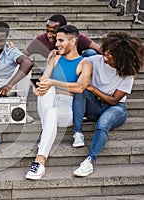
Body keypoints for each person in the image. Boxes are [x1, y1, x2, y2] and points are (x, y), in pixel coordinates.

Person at [25, 25, 92, 180]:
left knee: (52, 111)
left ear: (73, 41)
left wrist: (53, 84)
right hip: (49, 101)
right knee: (45, 89)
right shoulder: (55, 57)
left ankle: (40, 161)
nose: (56, 44)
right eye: (56, 40)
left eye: (61, 40)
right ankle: (44, 141)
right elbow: (44, 80)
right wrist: (40, 87)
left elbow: (80, 88)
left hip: (69, 109)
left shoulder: (85, 64)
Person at [72, 31, 144, 177]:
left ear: (121, 57)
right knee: (81, 92)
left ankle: (89, 161)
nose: (106, 54)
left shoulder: (127, 73)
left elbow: (113, 100)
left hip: (115, 109)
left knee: (103, 124)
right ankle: (77, 133)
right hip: (94, 107)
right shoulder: (93, 60)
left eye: (111, 53)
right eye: (107, 50)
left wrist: (92, 88)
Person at [23, 14, 101, 59]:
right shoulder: (41, 40)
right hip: (58, 68)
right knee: (43, 71)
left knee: (91, 53)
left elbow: (100, 50)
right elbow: (23, 54)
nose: (49, 35)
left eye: (53, 32)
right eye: (47, 31)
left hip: (78, 66)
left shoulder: (76, 37)